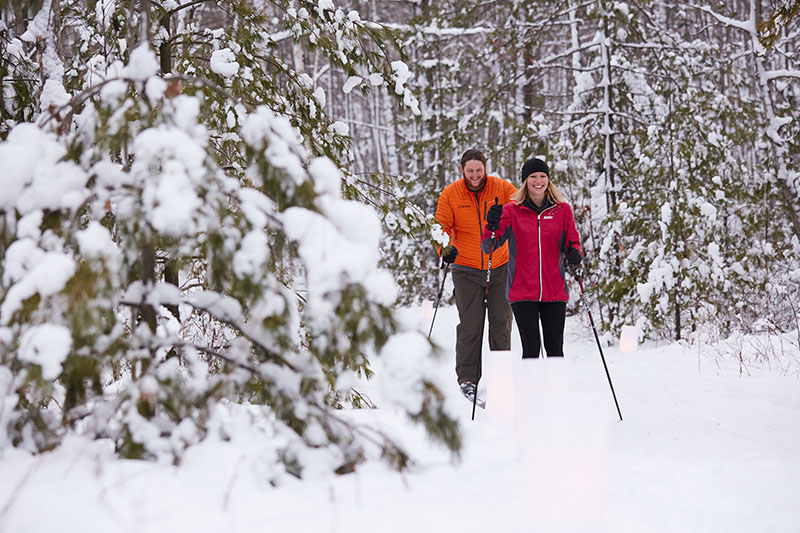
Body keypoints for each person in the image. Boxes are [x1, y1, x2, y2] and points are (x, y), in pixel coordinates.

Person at [435, 149, 517, 403]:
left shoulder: (501, 188)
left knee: (501, 324)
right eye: (469, 170)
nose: (474, 175)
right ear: (462, 169)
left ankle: (501, 378)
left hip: (500, 265)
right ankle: (468, 379)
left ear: (485, 168)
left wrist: (502, 218)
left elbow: (519, 210)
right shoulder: (451, 194)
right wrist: (444, 249)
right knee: (470, 325)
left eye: (478, 170)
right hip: (466, 268)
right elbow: (440, 227)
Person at [481, 157, 582, 358]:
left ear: (548, 180)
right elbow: (489, 246)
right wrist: (491, 225)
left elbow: (573, 242)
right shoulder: (512, 210)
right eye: (533, 176)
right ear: (525, 181)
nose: (538, 181)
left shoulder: (562, 210)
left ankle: (555, 389)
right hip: (522, 290)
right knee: (531, 348)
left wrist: (574, 254)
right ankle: (531, 389)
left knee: (555, 348)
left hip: (554, 290)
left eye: (542, 176)